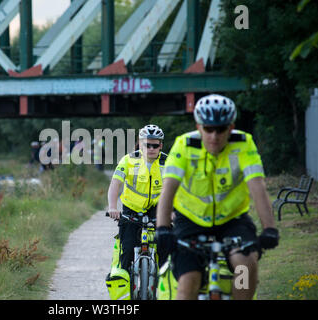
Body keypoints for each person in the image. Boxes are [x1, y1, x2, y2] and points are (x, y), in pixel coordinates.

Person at [155, 94, 279, 300]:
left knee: (245, 267)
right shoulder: (184, 145)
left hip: (232, 220)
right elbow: (168, 190)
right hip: (190, 220)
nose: (214, 136)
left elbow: (258, 187)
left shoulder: (243, 144)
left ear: (231, 127)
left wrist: (269, 228)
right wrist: (162, 229)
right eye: (208, 129)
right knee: (188, 282)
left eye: (221, 129)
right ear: (198, 126)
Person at [106, 124, 167, 299]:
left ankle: (164, 288)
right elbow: (115, 184)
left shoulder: (167, 161)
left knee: (166, 247)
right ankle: (125, 290)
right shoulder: (128, 160)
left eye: (155, 145)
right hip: (131, 209)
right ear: (140, 144)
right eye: (147, 144)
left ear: (161, 145)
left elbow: (177, 188)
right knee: (126, 250)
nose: (151, 148)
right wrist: (112, 207)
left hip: (158, 208)